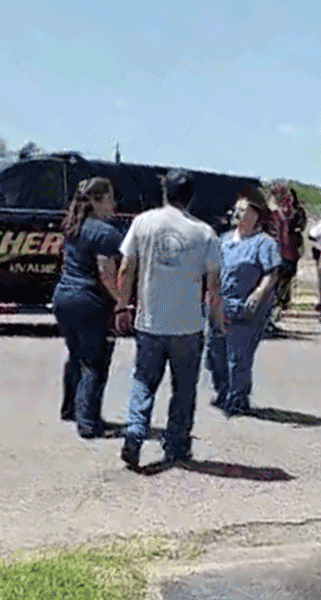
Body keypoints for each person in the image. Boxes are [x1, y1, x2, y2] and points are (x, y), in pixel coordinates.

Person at [115, 169, 221, 469]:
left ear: (165, 193)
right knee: (184, 388)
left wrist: (123, 306)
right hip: (188, 325)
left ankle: (135, 433)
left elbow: (126, 268)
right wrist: (217, 320)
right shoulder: (204, 233)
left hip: (150, 321)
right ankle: (176, 444)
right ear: (191, 197)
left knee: (143, 380)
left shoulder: (143, 222)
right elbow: (213, 285)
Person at [52, 177, 126, 439]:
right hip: (89, 302)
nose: (114, 204)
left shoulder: (72, 226)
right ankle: (89, 423)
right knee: (94, 363)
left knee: (75, 355)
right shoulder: (106, 233)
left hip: (63, 297)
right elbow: (106, 272)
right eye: (110, 198)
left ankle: (70, 409)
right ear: (97, 201)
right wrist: (122, 302)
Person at [207, 188, 281, 415]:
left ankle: (237, 399)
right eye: (236, 210)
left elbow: (272, 272)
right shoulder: (223, 240)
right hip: (220, 304)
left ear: (256, 214)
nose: (237, 214)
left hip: (246, 309)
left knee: (238, 357)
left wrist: (259, 292)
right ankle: (222, 392)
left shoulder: (264, 243)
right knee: (214, 354)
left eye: (243, 210)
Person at [266, 183, 306, 332]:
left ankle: (269, 320)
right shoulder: (287, 214)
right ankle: (270, 320)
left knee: (273, 291)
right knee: (278, 291)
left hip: (279, 256)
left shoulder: (272, 214)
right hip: (287, 255)